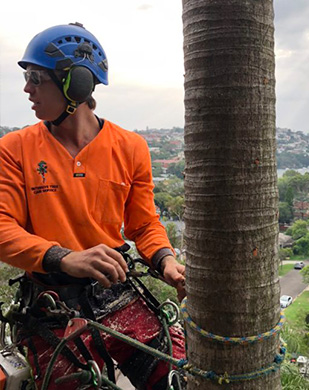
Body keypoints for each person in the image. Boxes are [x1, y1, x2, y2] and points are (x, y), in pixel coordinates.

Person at [0, 22, 186, 390]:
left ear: (77, 84)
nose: (27, 88)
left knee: (181, 377)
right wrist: (65, 257)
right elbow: (2, 229)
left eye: (37, 77)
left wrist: (166, 261)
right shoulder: (15, 149)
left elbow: (143, 223)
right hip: (51, 305)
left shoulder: (129, 147)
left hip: (116, 292)